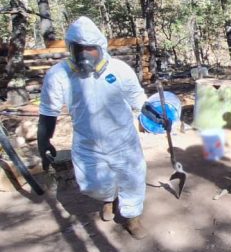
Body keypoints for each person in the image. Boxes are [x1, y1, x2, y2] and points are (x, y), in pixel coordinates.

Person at [38, 16, 150, 239]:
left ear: (100, 47)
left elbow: (139, 100)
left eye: (89, 48)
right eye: (78, 48)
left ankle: (132, 216)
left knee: (133, 179)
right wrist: (43, 141)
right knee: (92, 185)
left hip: (123, 140)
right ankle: (109, 197)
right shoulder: (59, 75)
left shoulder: (119, 70)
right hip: (87, 142)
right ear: (70, 48)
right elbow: (48, 111)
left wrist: (157, 117)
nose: (83, 54)